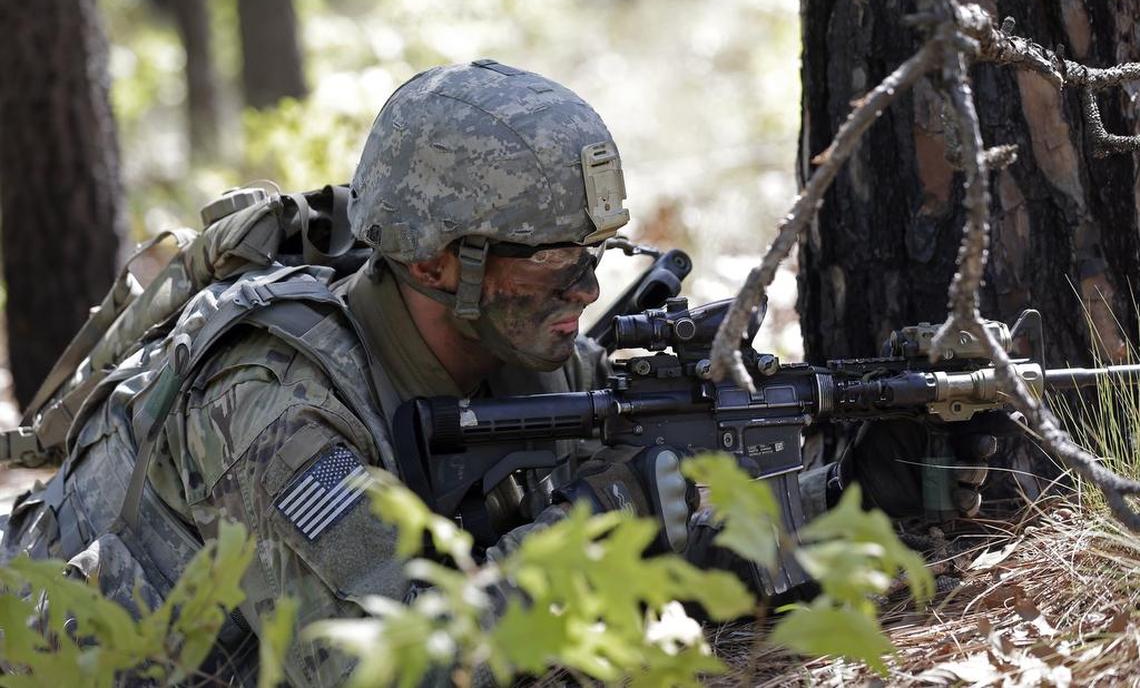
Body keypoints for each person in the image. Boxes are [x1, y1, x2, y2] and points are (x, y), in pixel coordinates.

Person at [1, 60, 995, 685]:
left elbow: (685, 546)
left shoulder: (524, 350)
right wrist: (596, 540)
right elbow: (392, 667)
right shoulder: (272, 406)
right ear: (438, 261)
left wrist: (847, 497)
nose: (584, 283)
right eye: (554, 254)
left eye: (594, 252)